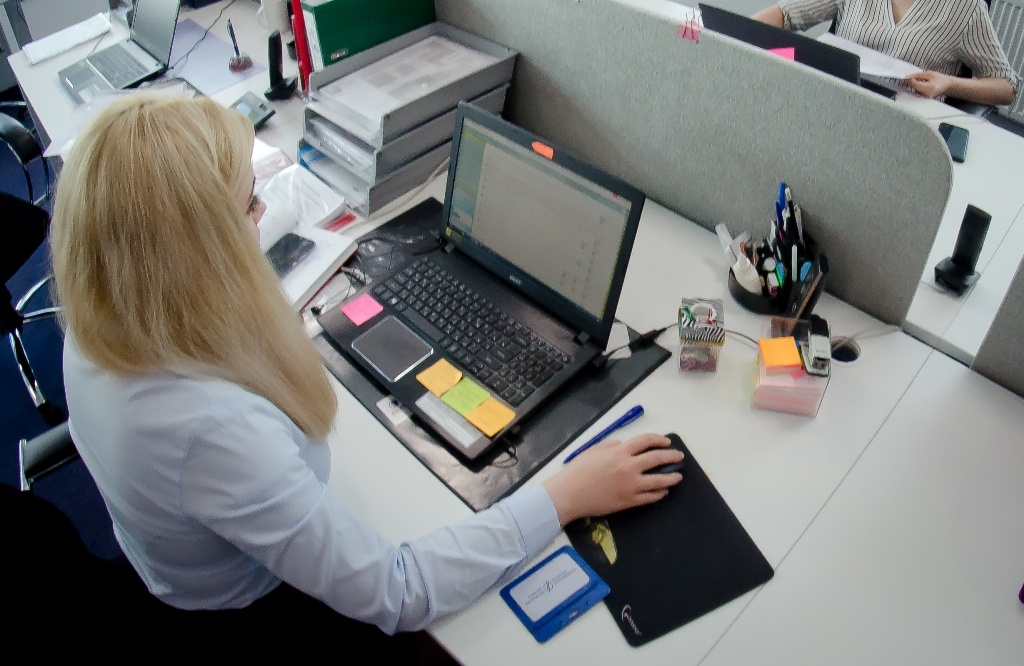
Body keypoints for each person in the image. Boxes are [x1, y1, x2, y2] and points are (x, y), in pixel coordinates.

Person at [49, 94, 684, 639]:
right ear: (194, 251)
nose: (262, 216)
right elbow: (399, 590)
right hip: (248, 603)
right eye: (248, 206)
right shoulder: (212, 430)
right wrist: (566, 494)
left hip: (173, 558)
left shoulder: (105, 312)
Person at [752, 0, 1020, 106]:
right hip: (834, 104)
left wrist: (949, 83)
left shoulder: (965, 9)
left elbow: (1007, 87)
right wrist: (734, 35)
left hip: (902, 126)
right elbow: (787, 14)